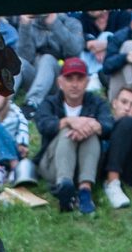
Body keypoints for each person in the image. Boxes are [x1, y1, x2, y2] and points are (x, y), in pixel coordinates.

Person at [29, 57, 108, 215]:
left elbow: (109, 124)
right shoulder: (50, 102)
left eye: (79, 79)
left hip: (86, 164)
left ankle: (85, 190)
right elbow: (43, 124)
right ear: (60, 82)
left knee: (90, 133)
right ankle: (64, 185)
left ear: (87, 82)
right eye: (69, 79)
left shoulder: (97, 102)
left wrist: (93, 125)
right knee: (67, 131)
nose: (74, 84)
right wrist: (68, 121)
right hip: (53, 165)